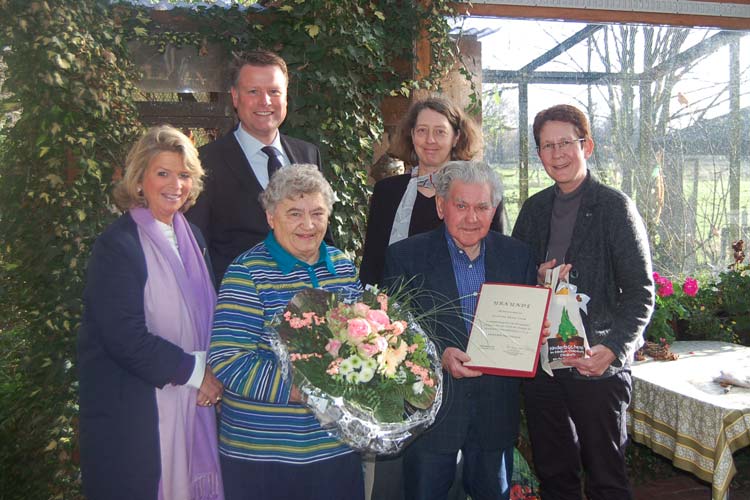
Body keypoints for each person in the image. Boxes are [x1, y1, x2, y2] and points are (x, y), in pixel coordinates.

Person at [512, 104, 654, 500]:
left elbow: (642, 292)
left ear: (586, 145)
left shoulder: (615, 207)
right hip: (543, 367)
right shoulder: (533, 210)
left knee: (606, 477)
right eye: (546, 146)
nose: (556, 154)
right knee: (554, 473)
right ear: (538, 154)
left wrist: (614, 349)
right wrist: (535, 277)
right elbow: (514, 281)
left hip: (596, 366)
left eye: (565, 143)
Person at [78, 125, 224, 500]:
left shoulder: (195, 239)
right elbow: (124, 338)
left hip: (194, 410)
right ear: (139, 180)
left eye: (184, 174)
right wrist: (195, 373)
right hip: (136, 421)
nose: (176, 184)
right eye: (163, 173)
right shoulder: (117, 246)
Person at [383, 161, 539, 500]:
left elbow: (528, 329)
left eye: (482, 207)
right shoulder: (404, 257)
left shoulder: (519, 256)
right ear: (441, 206)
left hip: (495, 412)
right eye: (461, 205)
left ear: (494, 209)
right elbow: (393, 333)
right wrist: (438, 356)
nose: (472, 217)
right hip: (434, 415)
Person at [208, 164, 364, 500]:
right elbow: (227, 358)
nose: (308, 225)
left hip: (335, 450)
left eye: (317, 213)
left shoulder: (343, 268)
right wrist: (299, 389)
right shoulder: (246, 273)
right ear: (270, 217)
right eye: (294, 213)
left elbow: (363, 344)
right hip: (265, 457)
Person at [186, 50, 323, 284]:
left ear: (286, 97)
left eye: (274, 91)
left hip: (308, 307)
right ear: (235, 97)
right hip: (239, 307)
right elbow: (196, 248)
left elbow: (323, 236)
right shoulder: (205, 163)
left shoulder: (308, 154)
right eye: (253, 92)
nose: (265, 101)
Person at [360, 96, 505, 287]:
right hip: (396, 308)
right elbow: (372, 262)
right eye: (422, 131)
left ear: (456, 138)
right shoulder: (386, 192)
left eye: (440, 132)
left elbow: (495, 258)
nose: (430, 140)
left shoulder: (481, 192)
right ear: (411, 135)